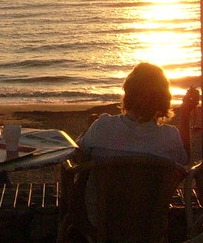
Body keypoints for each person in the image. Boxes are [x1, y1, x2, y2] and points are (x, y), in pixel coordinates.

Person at [75, 62, 188, 223]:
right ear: (164, 98)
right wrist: (186, 113)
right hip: (148, 222)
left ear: (128, 94)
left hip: (100, 221)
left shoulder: (103, 126)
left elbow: (77, 154)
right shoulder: (169, 137)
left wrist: (89, 129)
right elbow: (184, 160)